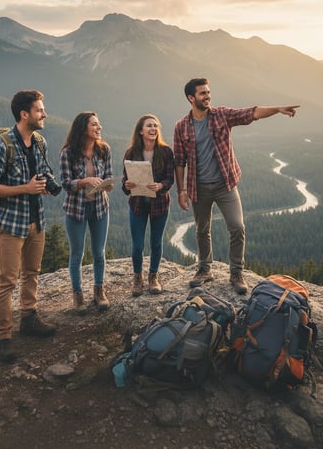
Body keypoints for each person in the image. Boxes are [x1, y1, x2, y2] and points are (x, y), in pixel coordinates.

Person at [174, 77, 300, 295]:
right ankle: (204, 269)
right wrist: (181, 191)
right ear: (191, 98)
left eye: (208, 92)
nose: (208, 96)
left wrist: (278, 109)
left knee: (237, 227)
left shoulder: (221, 115)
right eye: (203, 93)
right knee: (202, 229)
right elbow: (179, 161)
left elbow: (251, 113)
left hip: (225, 184)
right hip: (198, 188)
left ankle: (236, 273)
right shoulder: (182, 127)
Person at [0, 90, 57, 364]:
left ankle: (29, 320)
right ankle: (1, 337)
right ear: (24, 114)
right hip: (11, 224)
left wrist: (48, 185)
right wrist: (26, 188)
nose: (44, 114)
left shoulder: (40, 141)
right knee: (7, 281)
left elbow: (44, 171)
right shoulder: (3, 145)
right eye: (40, 110)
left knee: (32, 273)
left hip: (36, 221)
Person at [60, 112, 114, 314]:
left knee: (99, 253)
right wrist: (84, 182)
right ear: (83, 128)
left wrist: (107, 185)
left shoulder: (104, 149)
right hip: (76, 209)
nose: (99, 127)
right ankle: (78, 295)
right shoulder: (68, 153)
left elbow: (108, 175)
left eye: (99, 124)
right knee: (77, 254)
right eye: (94, 125)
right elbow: (65, 184)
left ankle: (99, 292)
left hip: (100, 207)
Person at [122, 114, 174, 297]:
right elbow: (124, 182)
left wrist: (160, 186)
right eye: (149, 126)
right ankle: (138, 277)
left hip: (159, 204)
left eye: (156, 126)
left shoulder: (166, 152)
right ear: (141, 131)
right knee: (137, 245)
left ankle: (153, 276)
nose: (153, 129)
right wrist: (127, 185)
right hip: (137, 204)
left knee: (156, 242)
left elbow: (170, 178)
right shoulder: (131, 153)